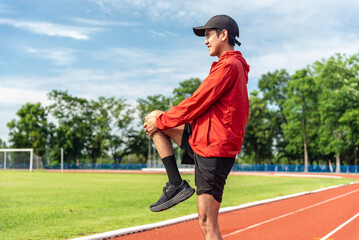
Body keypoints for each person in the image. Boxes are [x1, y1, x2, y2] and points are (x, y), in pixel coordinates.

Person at [143, 15, 250, 240]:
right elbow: (206, 106)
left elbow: (198, 101)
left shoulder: (229, 66)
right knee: (155, 117)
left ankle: (176, 184)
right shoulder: (228, 66)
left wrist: (164, 120)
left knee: (207, 221)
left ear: (223, 35)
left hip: (215, 148)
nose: (205, 41)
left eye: (209, 35)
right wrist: (163, 120)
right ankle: (175, 184)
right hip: (203, 138)